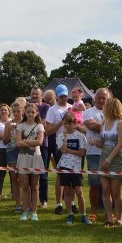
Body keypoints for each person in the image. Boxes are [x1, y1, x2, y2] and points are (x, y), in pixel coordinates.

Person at [93, 97, 122, 227]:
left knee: (116, 192)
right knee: (106, 190)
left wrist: (109, 159)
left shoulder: (120, 123)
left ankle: (119, 218)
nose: (103, 107)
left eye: (106, 106)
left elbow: (120, 144)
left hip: (116, 157)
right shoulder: (104, 123)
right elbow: (102, 143)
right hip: (104, 155)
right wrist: (96, 142)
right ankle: (109, 218)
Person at [56, 112, 90, 225]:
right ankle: (70, 215)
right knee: (67, 191)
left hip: (76, 167)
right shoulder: (60, 137)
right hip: (64, 166)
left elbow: (81, 153)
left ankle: (83, 215)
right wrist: (65, 138)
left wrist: (68, 151)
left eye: (69, 123)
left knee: (79, 191)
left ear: (74, 123)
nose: (67, 126)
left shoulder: (80, 136)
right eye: (65, 124)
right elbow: (62, 149)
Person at [83, 88, 110, 222]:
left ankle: (108, 213)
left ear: (108, 99)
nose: (101, 100)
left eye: (104, 98)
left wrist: (101, 125)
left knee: (109, 185)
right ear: (95, 98)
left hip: (110, 153)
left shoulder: (112, 113)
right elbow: (92, 126)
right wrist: (109, 125)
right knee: (94, 183)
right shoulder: (88, 112)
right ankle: (93, 211)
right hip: (93, 152)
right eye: (99, 97)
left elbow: (100, 127)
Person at [16, 102, 45, 221]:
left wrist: (24, 142)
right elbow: (18, 143)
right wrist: (25, 142)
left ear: (37, 113)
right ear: (25, 112)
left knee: (35, 186)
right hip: (23, 159)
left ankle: (34, 211)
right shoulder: (20, 126)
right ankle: (25, 210)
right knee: (24, 186)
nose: (30, 114)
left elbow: (39, 142)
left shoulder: (40, 126)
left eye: (33, 112)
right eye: (28, 112)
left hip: (36, 158)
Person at [46, 84, 72, 215]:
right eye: (61, 95)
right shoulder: (52, 110)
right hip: (59, 145)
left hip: (73, 145)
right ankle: (59, 204)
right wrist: (62, 121)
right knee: (61, 175)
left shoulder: (71, 107)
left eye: (65, 95)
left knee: (73, 174)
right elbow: (48, 131)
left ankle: (71, 203)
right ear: (56, 96)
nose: (63, 98)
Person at [4, 100, 24, 213]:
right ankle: (18, 204)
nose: (16, 114)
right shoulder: (9, 123)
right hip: (11, 151)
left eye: (18, 111)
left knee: (24, 178)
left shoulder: (26, 123)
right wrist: (9, 132)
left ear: (23, 111)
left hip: (23, 151)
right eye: (14, 111)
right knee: (14, 177)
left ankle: (27, 202)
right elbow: (5, 141)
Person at [0, 103, 12, 202]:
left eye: (5, 110)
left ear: (9, 112)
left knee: (13, 172)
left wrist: (3, 135)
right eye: (1, 110)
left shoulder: (12, 122)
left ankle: (13, 192)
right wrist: (8, 135)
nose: (3, 111)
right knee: (0, 172)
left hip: (12, 149)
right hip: (0, 149)